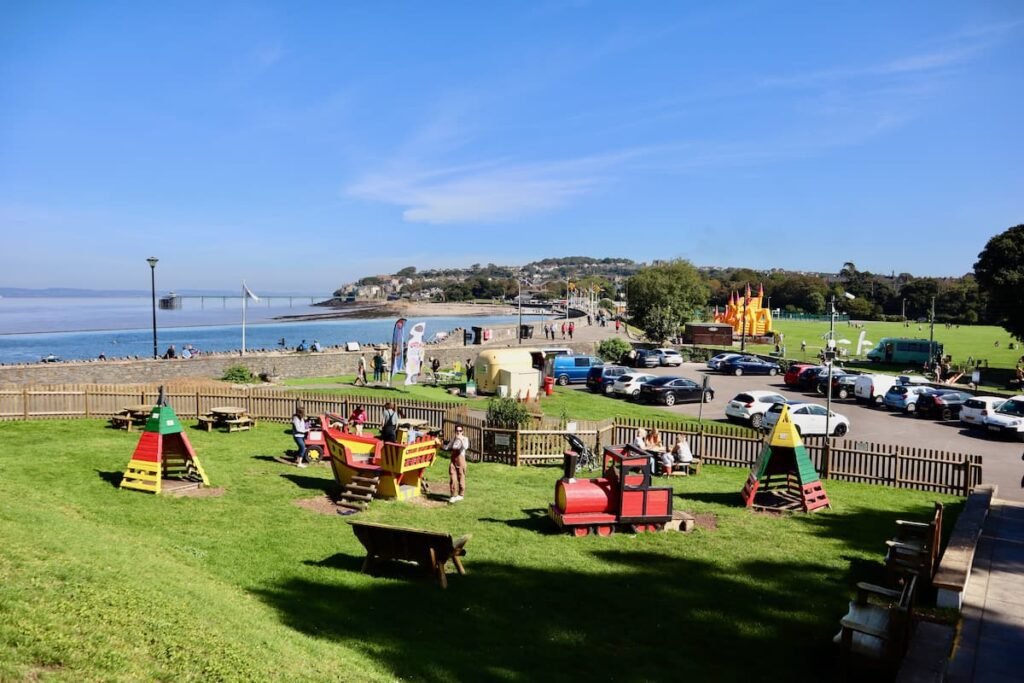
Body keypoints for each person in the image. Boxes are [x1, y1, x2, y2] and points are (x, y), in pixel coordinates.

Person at [446, 425, 470, 502]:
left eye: (460, 431)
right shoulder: (453, 439)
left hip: (461, 460)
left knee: (461, 477)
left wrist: (461, 439)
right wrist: (439, 445)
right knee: (452, 477)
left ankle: (461, 494)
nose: (458, 432)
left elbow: (466, 447)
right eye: (457, 431)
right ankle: (452, 495)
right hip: (453, 460)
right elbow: (447, 447)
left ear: (462, 431)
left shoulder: (465, 439)